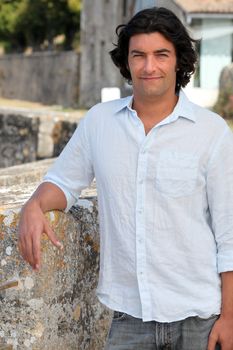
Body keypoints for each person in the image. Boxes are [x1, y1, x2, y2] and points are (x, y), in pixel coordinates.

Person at [18, 7, 233, 350]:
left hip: (200, 321)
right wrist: (34, 205)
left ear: (179, 60)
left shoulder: (212, 132)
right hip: (129, 319)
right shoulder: (99, 122)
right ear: (126, 62)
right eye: (139, 55)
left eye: (161, 54)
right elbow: (63, 182)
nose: (149, 67)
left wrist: (230, 317)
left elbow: (229, 232)